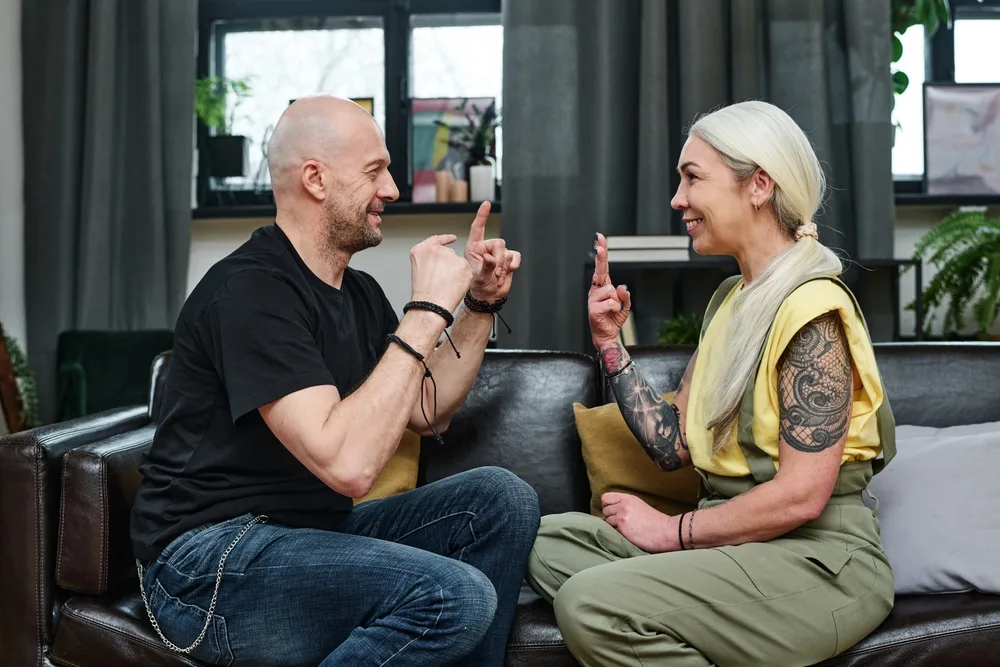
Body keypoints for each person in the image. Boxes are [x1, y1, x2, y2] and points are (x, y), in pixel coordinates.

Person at [129, 95, 540, 667]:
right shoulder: (251, 292)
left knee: (500, 499)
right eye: (375, 171)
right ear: (315, 179)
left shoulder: (360, 292)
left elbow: (427, 409)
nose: (393, 189)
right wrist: (424, 312)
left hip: (308, 533)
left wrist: (476, 304)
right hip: (206, 566)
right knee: (453, 597)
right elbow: (349, 467)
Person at [526, 100, 898, 666]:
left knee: (588, 603)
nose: (677, 200)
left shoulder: (812, 310)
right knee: (543, 541)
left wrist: (672, 532)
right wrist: (609, 343)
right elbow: (673, 446)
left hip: (815, 560)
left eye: (692, 178)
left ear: (759, 185)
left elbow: (802, 493)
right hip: (735, 547)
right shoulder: (731, 300)